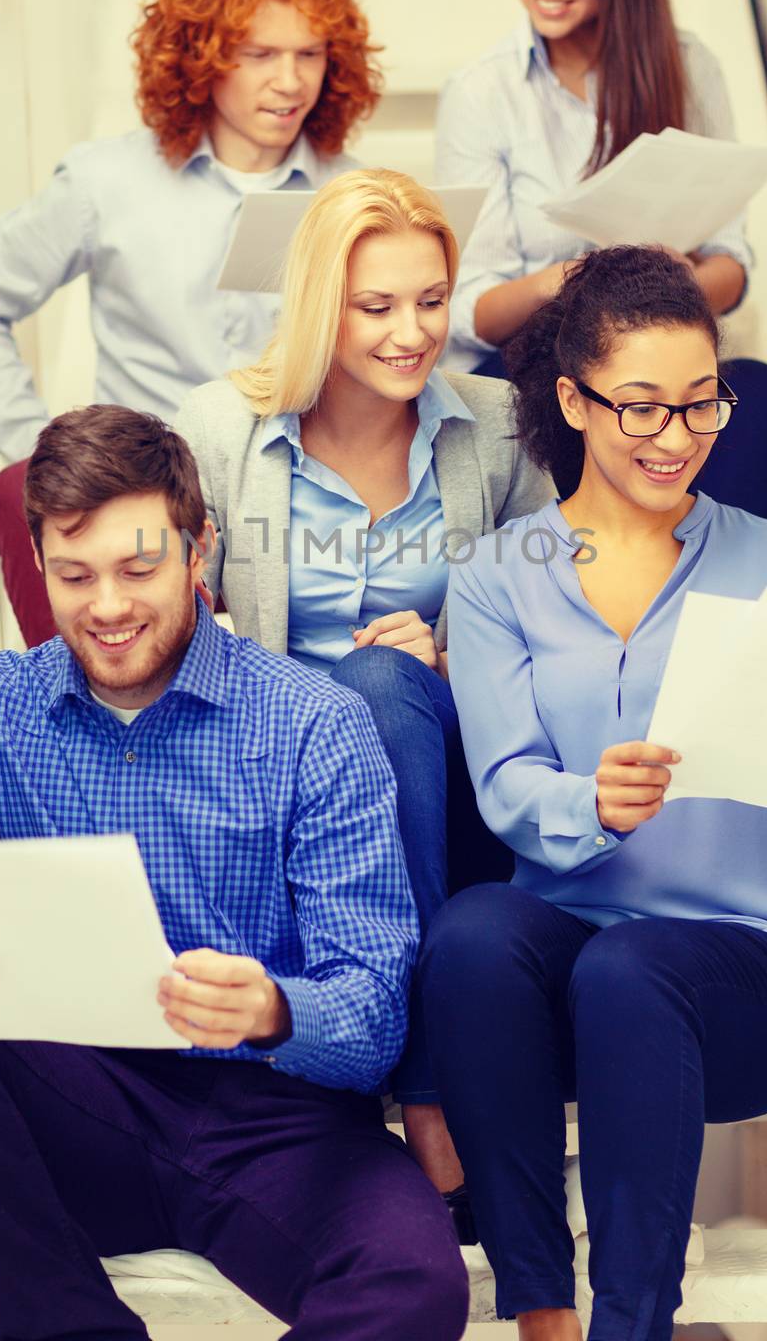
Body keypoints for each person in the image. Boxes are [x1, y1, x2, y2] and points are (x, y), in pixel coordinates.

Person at [0, 405, 469, 1341]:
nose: (106, 607)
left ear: (200, 551)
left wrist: (273, 1009)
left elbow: (376, 1013)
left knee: (416, 1285)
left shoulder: (315, 726)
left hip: (279, 1125)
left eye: (139, 568)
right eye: (74, 575)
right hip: (78, 1106)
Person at [419, 245, 767, 1338]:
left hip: (752, 980)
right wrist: (590, 804)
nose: (675, 437)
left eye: (700, 406)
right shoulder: (498, 572)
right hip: (575, 977)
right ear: (572, 399)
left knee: (632, 965)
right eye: (640, 407)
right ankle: (544, 1311)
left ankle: (631, 1326)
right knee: (470, 935)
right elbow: (505, 789)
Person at [174, 167, 551, 1207]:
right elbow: (175, 616)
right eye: (375, 305)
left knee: (382, 684)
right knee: (350, 697)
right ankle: (416, 1084)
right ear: (315, 303)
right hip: (280, 766)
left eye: (431, 300)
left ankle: (423, 1084)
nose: (411, 332)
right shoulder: (216, 430)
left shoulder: (499, 424)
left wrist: (446, 647)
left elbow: (555, 609)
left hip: (443, 746)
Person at [0, 0, 380, 647]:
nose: (289, 81)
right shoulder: (105, 181)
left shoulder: (356, 196)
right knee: (24, 489)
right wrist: (30, 441)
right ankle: (88, 725)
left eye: (310, 54)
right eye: (259, 53)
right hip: (135, 486)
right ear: (200, 55)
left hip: (290, 493)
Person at [434, 0, 767, 518]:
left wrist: (669, 277)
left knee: (761, 393)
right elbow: (469, 309)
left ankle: (690, 602)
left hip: (662, 368)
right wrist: (577, 280)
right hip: (543, 372)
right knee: (489, 405)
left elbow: (732, 268)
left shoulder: (688, 69)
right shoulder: (483, 93)